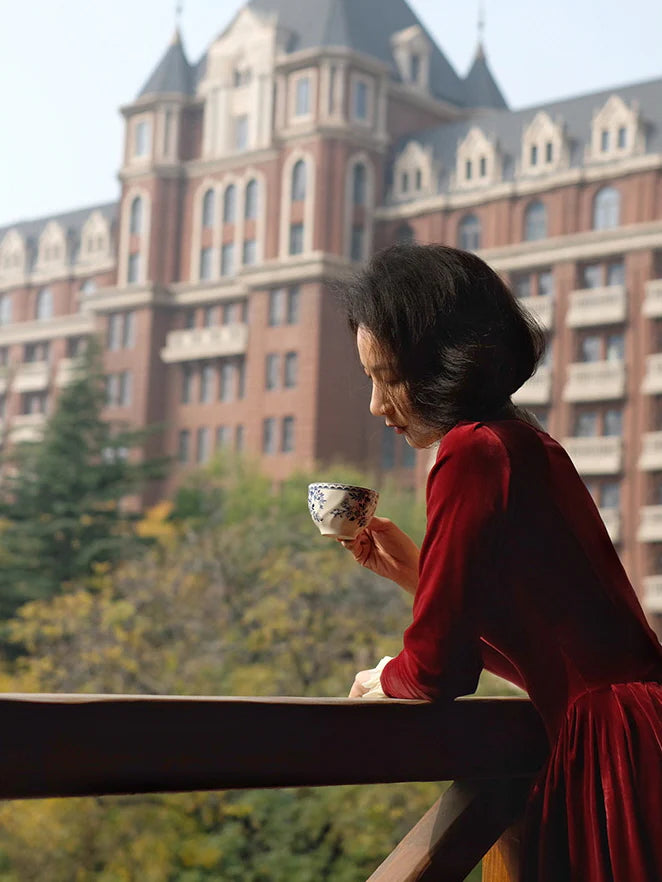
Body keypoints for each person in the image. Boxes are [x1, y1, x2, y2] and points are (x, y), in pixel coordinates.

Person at [338, 243, 662, 882]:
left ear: (442, 365)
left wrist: (385, 678)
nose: (376, 405)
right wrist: (418, 576)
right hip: (632, 731)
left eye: (389, 377)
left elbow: (437, 671)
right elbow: (554, 651)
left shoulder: (471, 452)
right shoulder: (525, 441)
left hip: (615, 751)